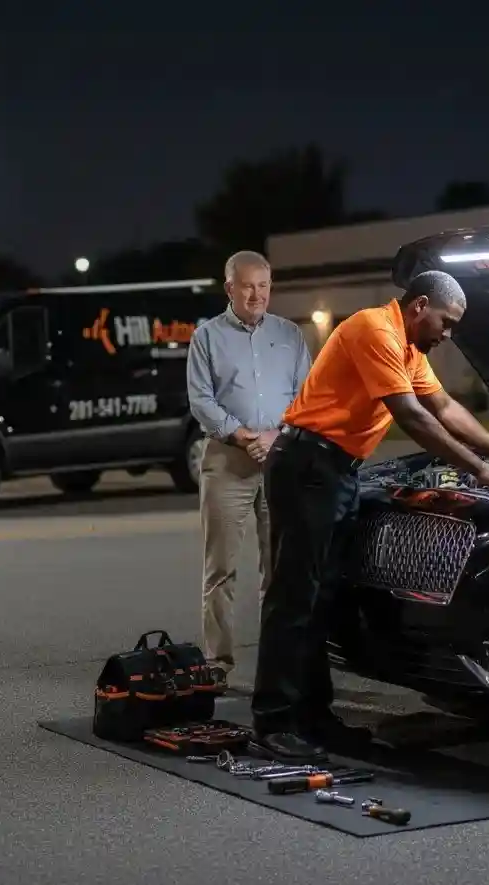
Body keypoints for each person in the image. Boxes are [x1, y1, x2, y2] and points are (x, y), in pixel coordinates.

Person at [249, 269, 489, 762]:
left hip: (335, 469)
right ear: (420, 305)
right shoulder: (375, 330)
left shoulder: (410, 348)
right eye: (446, 322)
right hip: (307, 466)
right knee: (294, 599)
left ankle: (313, 719)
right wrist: (477, 470)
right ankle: (273, 723)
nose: (448, 334)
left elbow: (444, 406)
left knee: (323, 599)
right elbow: (412, 416)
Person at [186, 250, 312, 687]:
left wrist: (275, 438)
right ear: (229, 288)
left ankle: (278, 666)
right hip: (227, 462)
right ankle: (217, 665)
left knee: (279, 569)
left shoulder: (290, 335)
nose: (256, 294)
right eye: (247, 286)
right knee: (220, 569)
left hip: (281, 461)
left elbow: (306, 397)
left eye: (263, 285)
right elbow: (201, 400)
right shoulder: (206, 337)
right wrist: (243, 437)